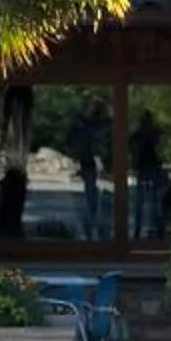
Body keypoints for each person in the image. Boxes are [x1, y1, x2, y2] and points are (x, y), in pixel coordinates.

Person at [63, 93, 113, 242]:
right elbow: (72, 141)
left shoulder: (99, 123)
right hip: (87, 163)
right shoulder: (82, 123)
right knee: (90, 200)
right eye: (94, 105)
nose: (95, 109)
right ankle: (90, 234)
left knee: (101, 201)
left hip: (97, 165)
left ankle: (98, 235)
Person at [130, 108, 167, 243]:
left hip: (144, 168)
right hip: (151, 167)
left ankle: (139, 232)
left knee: (142, 202)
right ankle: (158, 231)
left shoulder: (140, 134)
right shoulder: (153, 133)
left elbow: (132, 146)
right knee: (153, 201)